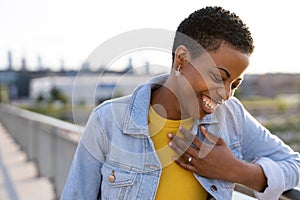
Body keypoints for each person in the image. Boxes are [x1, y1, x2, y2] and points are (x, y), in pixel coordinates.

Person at [61, 6, 300, 200]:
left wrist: (234, 170)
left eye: (234, 85)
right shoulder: (107, 121)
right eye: (218, 77)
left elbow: (294, 165)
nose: (226, 94)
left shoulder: (231, 116)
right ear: (181, 60)